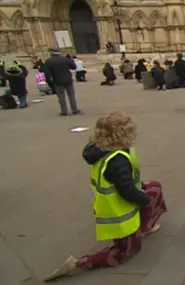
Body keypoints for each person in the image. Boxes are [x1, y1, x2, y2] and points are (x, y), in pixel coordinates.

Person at [43, 111, 167, 282]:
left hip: (118, 198)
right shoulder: (117, 160)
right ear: (121, 134)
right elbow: (127, 192)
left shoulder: (101, 150)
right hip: (119, 212)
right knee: (126, 252)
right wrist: (144, 201)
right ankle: (78, 263)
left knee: (155, 187)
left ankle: (145, 226)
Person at [44, 48, 80, 116]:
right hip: (68, 80)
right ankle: (74, 109)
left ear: (51, 53)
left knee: (61, 97)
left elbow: (46, 73)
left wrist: (49, 82)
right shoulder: (65, 59)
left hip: (57, 81)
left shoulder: (48, 61)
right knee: (71, 95)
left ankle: (64, 111)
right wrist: (71, 60)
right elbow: (74, 67)